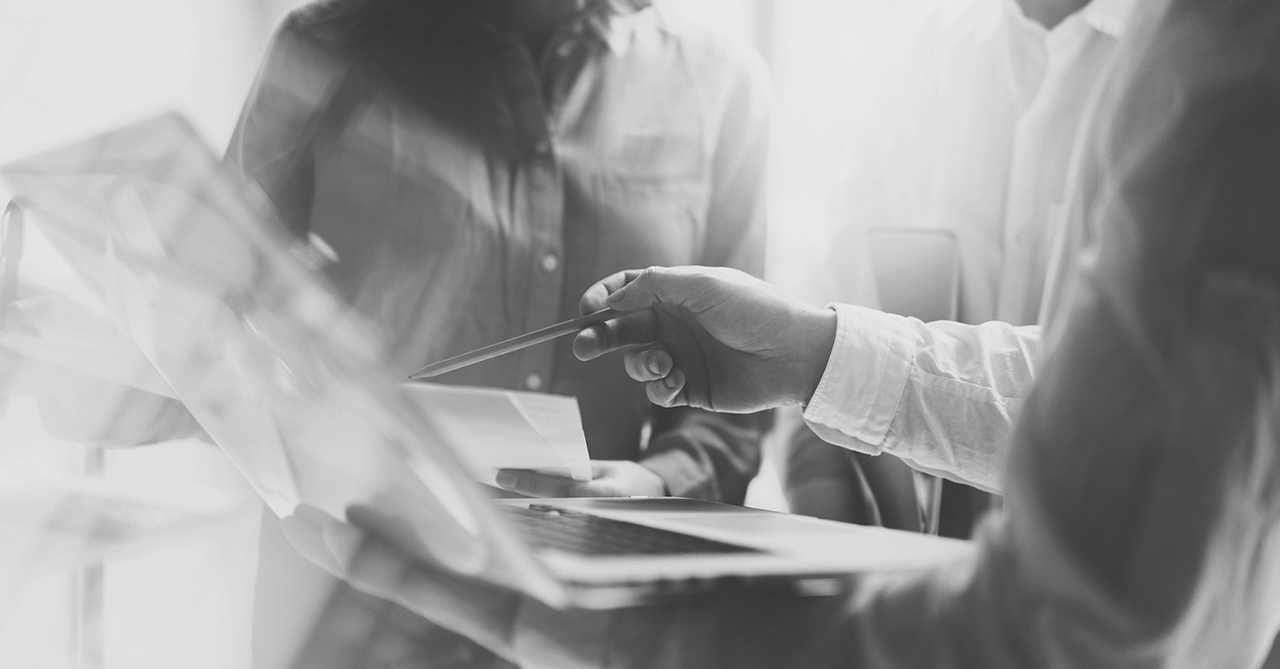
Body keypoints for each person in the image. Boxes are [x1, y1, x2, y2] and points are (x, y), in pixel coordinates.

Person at [303, 0, 1280, 665]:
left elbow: (1073, 633)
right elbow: (1095, 384)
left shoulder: (1223, 59)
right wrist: (817, 353)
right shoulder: (336, 43)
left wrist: (618, 631)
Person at [226, 0, 772, 504]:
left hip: (593, 576)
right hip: (347, 557)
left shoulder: (721, 84)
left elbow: (734, 379)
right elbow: (207, 307)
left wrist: (660, 481)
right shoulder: (324, 46)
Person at [785, 0, 1141, 534]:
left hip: (1116, 583)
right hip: (919, 578)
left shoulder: (1207, 70)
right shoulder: (915, 64)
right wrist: (833, 535)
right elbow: (828, 321)